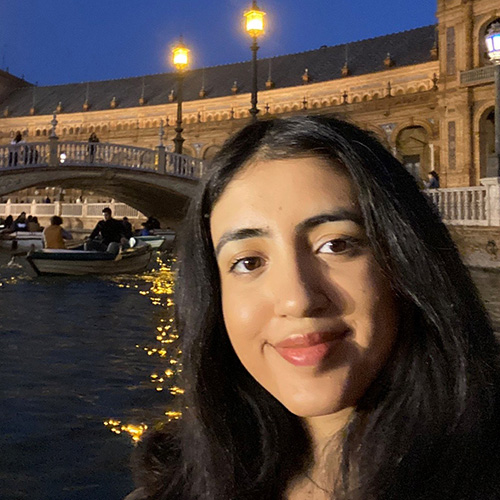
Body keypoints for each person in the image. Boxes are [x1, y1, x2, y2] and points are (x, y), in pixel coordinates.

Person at [128, 116, 500, 500]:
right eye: (248, 262)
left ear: (407, 258)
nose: (297, 299)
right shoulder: (168, 490)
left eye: (336, 245)